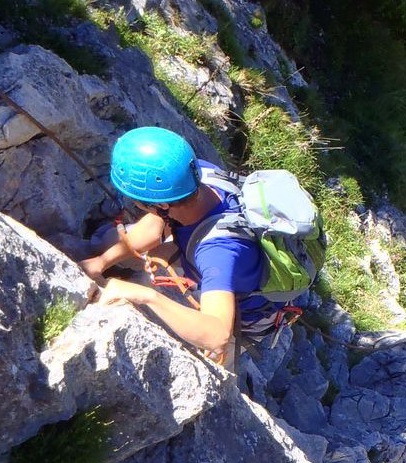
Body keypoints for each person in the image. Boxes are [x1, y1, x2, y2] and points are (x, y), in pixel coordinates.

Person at [82, 127, 273, 365]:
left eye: (136, 201)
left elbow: (218, 335)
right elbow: (156, 225)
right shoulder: (195, 174)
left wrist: (145, 296)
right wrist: (101, 262)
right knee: (137, 247)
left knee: (212, 358)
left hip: (240, 308)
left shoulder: (217, 253)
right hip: (218, 255)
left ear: (160, 204)